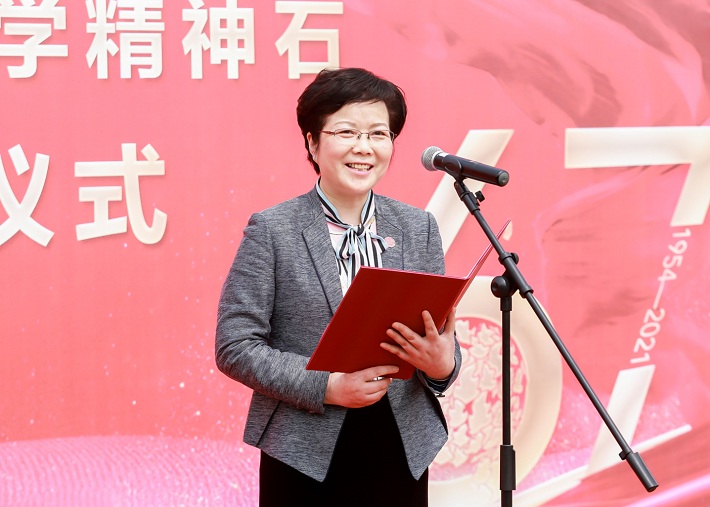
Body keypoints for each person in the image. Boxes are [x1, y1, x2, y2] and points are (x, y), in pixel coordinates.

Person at [215, 67, 461, 506]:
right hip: (304, 451)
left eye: (378, 134)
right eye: (346, 132)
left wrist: (443, 365)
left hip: (400, 445)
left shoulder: (417, 227)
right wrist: (327, 386)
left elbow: (438, 336)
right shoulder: (273, 230)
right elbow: (235, 346)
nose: (364, 147)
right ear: (313, 143)